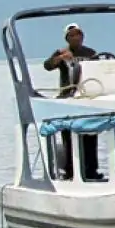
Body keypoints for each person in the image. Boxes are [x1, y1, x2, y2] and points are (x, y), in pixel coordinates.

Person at [43, 23, 103, 180]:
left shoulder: (91, 53)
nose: (76, 37)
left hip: (86, 98)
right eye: (72, 35)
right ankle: (71, 171)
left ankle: (91, 171)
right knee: (68, 136)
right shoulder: (61, 52)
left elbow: (101, 69)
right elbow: (47, 65)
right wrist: (60, 58)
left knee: (90, 135)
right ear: (67, 38)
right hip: (67, 98)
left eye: (78, 34)